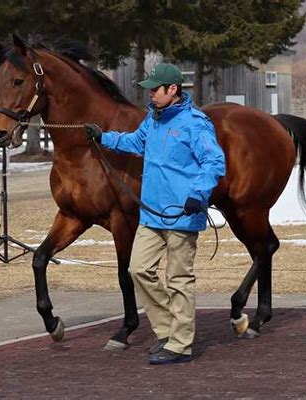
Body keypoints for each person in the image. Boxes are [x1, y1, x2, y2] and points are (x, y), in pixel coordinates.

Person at [85, 63, 226, 365]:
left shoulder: (195, 123)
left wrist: (197, 194)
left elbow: (214, 162)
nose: (150, 94)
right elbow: (136, 142)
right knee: (138, 270)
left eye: (155, 89)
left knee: (178, 279)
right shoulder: (153, 119)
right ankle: (167, 329)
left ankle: (180, 344)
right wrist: (103, 137)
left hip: (181, 215)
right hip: (151, 213)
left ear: (172, 90)